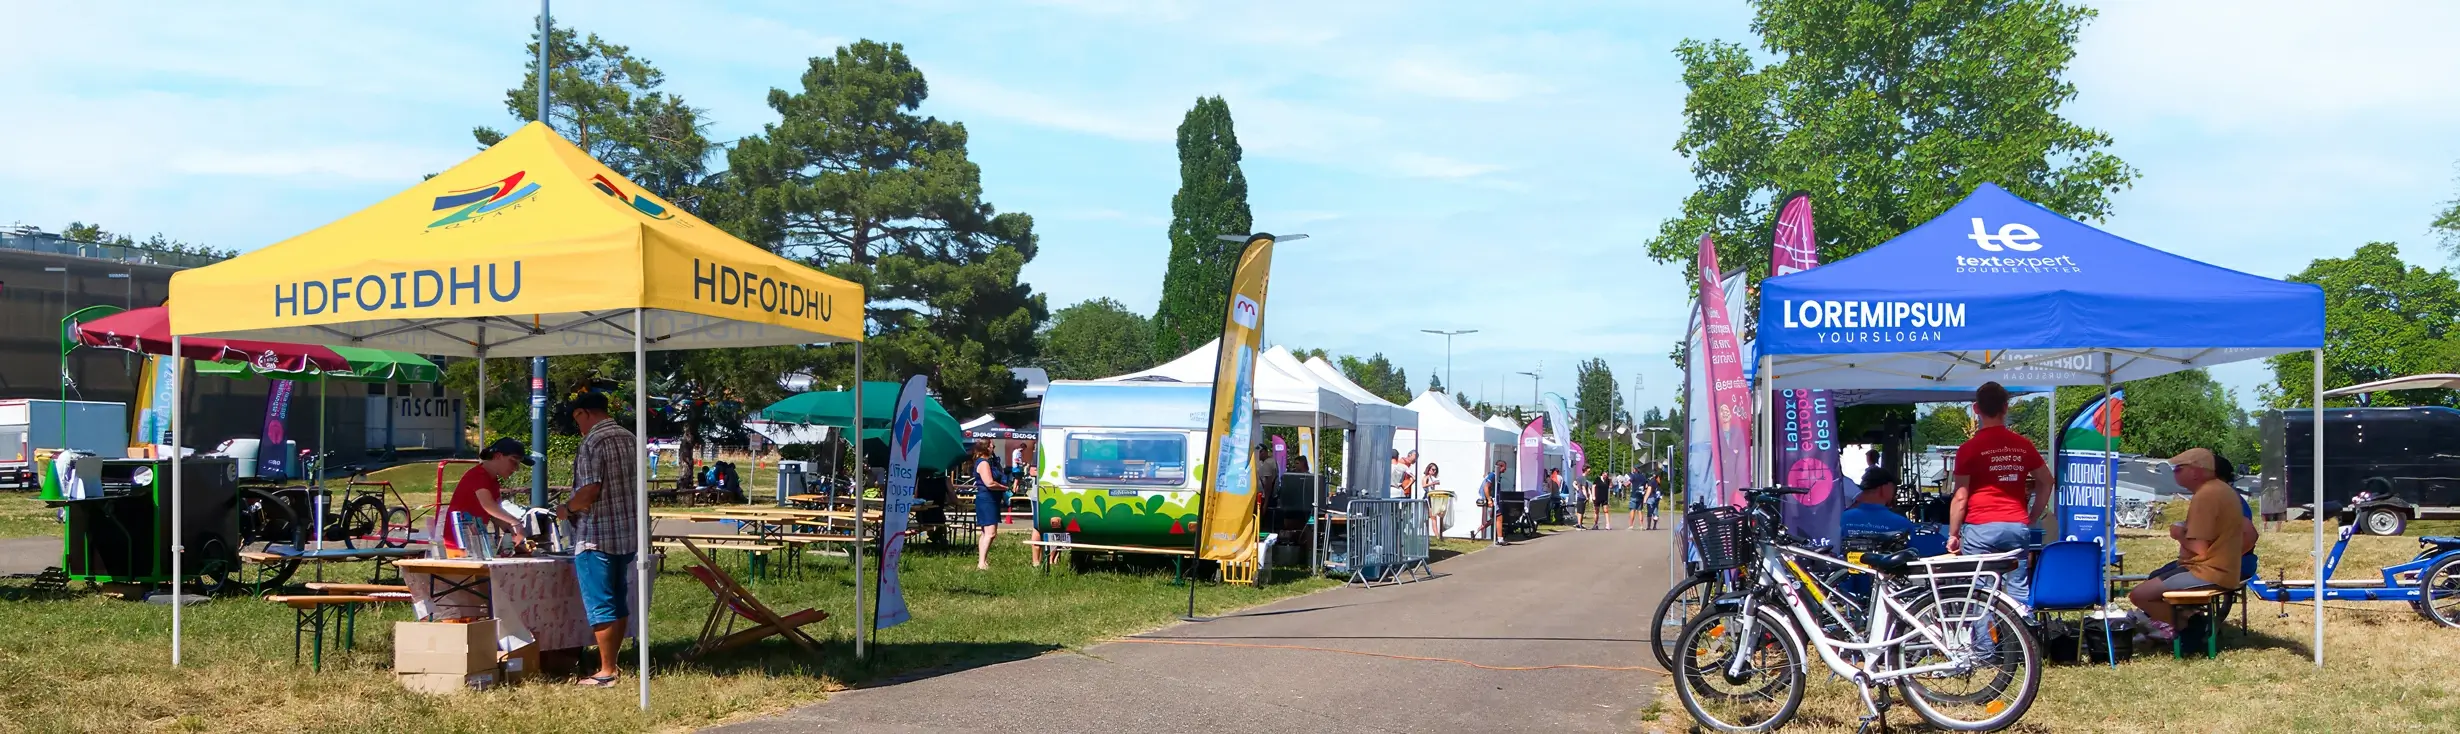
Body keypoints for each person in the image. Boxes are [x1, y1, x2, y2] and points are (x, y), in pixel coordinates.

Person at [555, 392, 639, 688]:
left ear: (583, 413)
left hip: (597, 535)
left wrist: (567, 509)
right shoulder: (630, 437)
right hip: (627, 533)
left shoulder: (592, 441)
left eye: (576, 417)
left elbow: (589, 491)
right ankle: (613, 663)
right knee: (618, 600)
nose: (576, 424)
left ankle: (606, 671)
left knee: (602, 604)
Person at [2127, 448, 2252, 642]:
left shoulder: (2206, 496)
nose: (2174, 473)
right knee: (2156, 581)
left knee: (2139, 595)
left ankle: (2192, 628)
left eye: (2178, 469)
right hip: (2221, 570)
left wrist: (2178, 534)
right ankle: (2189, 625)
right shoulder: (2223, 491)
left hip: (2208, 572)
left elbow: (2198, 548)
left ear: (2196, 471)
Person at [1945, 381, 2051, 606]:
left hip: (1980, 527)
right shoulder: (2023, 445)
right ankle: (2021, 638)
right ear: (2005, 408)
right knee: (2018, 589)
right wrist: (2032, 516)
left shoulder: (1968, 449)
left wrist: (1954, 534)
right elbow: (2046, 481)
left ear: (1976, 409)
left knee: (1981, 593)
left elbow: (1961, 496)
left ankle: (1984, 642)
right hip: (2015, 526)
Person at [441, 437, 536, 556]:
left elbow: (497, 515)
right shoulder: (478, 475)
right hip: (457, 543)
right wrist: (516, 523)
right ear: (497, 456)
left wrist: (516, 537)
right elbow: (489, 506)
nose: (516, 469)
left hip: (473, 542)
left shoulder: (493, 481)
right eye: (513, 461)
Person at [969, 442, 1007, 571]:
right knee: (990, 533)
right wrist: (1005, 488)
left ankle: (982, 561)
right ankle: (981, 562)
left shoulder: (989, 462)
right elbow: (989, 483)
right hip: (987, 499)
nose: (994, 449)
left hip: (990, 499)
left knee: (986, 532)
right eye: (992, 446)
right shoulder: (983, 463)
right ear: (986, 447)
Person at [1484, 459, 1512, 545]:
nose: (1505, 469)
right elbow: (1486, 487)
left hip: (1497, 499)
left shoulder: (1498, 476)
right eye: (1504, 467)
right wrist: (1489, 500)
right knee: (1499, 517)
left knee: (1495, 519)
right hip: (1494, 499)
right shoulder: (1493, 475)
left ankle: (1479, 529)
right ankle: (1500, 539)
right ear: (1500, 466)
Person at [1423, 462, 1448, 534]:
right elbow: (1424, 485)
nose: (1434, 471)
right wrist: (1432, 483)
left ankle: (1437, 534)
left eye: (1435, 470)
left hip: (1432, 497)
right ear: (1428, 469)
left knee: (1434, 516)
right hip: (1428, 498)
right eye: (1433, 469)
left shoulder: (1431, 478)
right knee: (1433, 517)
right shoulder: (1426, 477)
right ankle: (1436, 535)